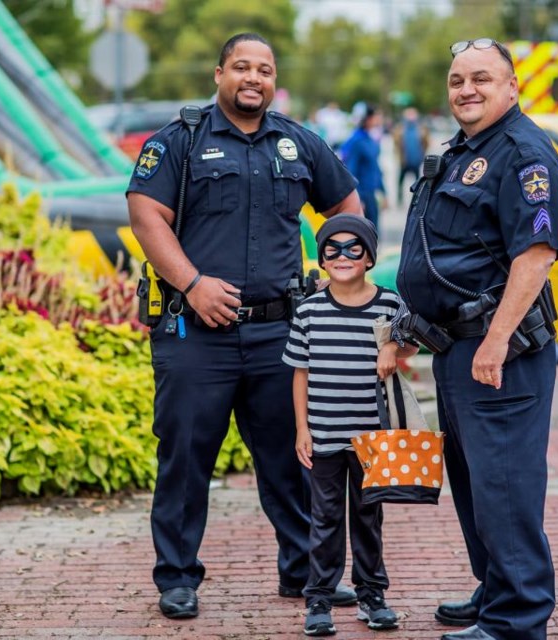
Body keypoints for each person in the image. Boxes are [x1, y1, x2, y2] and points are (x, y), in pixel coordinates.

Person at [125, 32, 362, 620]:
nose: (253, 78)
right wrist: (192, 283)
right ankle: (177, 577)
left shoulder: (299, 142)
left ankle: (307, 571)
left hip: (279, 334)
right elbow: (145, 213)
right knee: (185, 458)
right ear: (218, 74)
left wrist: (335, 279)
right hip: (195, 335)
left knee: (295, 458)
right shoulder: (179, 140)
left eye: (264, 69)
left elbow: (348, 210)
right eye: (241, 67)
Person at [396, 38, 558, 640]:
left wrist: (494, 343)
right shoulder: (465, 150)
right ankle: (496, 587)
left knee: (504, 483)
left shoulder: (524, 155)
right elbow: (444, 258)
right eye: (456, 80)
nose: (465, 90)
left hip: (500, 351)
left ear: (512, 87)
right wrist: (408, 332)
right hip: (456, 346)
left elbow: (536, 255)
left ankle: (517, 618)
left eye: (481, 79)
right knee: (473, 481)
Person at [283, 214, 416, 636]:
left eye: (353, 248)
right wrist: (302, 429)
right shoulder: (309, 311)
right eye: (332, 249)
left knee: (367, 515)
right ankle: (319, 597)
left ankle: (372, 594)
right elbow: (299, 373)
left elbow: (411, 343)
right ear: (321, 259)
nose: (342, 257)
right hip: (324, 434)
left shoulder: (389, 303)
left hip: (372, 436)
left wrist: (392, 345)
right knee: (324, 519)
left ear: (370, 256)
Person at [340, 105, 387, 229]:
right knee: (364, 233)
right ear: (367, 119)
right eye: (375, 117)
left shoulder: (370, 140)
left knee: (374, 233)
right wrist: (357, 198)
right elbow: (351, 171)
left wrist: (383, 192)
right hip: (363, 195)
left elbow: (375, 168)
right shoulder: (357, 142)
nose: (378, 120)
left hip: (372, 194)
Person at [392, 107, 430, 204]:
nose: (411, 117)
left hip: (416, 160)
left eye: (413, 114)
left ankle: (416, 199)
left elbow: (426, 142)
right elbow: (396, 143)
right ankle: (399, 199)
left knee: (418, 182)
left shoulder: (420, 128)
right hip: (404, 161)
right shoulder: (401, 128)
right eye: (409, 114)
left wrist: (422, 155)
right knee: (400, 181)